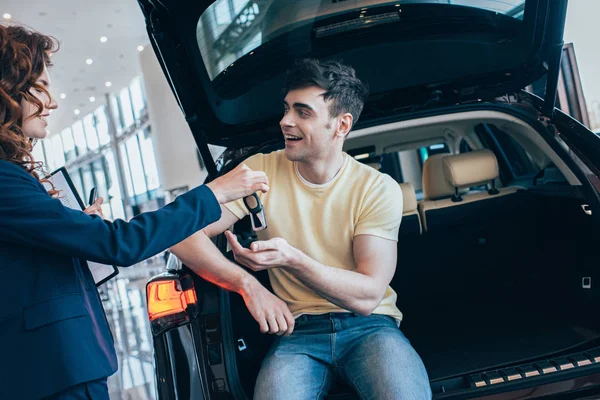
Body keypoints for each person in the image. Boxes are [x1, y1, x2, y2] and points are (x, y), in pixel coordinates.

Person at [0, 24, 269, 400]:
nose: (53, 102)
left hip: (56, 366)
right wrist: (213, 192)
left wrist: (78, 231)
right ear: (7, 94)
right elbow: (121, 244)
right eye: (40, 87)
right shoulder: (4, 180)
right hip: (55, 369)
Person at [171, 58, 432, 399]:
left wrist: (292, 259)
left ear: (341, 125)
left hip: (370, 328)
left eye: (302, 112)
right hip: (296, 332)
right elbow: (179, 233)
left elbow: (368, 296)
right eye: (286, 109)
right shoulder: (259, 172)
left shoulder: (376, 188)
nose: (285, 121)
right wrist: (247, 285)